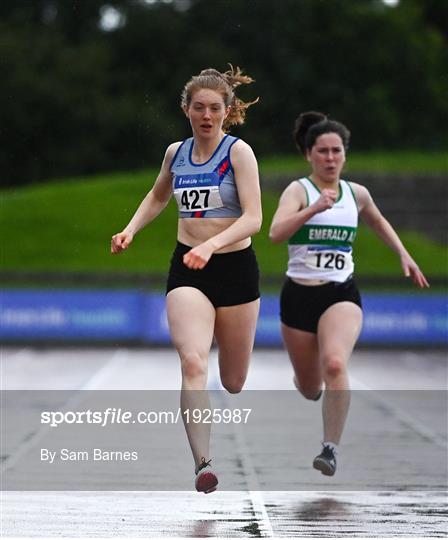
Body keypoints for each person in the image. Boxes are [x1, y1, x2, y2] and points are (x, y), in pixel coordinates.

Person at [111, 66, 262, 493]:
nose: (207, 115)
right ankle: (203, 464)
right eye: (199, 107)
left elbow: (253, 218)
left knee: (233, 382)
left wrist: (212, 245)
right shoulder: (176, 153)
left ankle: (210, 440)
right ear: (186, 109)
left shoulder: (238, 154)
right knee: (193, 362)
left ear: (227, 110)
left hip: (234, 270)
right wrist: (131, 229)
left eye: (215, 108)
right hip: (187, 270)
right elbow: (160, 194)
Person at [269, 111, 429, 477]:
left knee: (336, 364)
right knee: (310, 388)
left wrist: (402, 253)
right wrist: (313, 209)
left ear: (345, 154)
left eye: (336, 151)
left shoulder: (356, 194)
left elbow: (377, 219)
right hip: (298, 296)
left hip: (341, 293)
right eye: (322, 151)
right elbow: (276, 233)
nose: (329, 158)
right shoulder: (299, 190)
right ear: (309, 153)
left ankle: (330, 449)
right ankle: (306, 382)